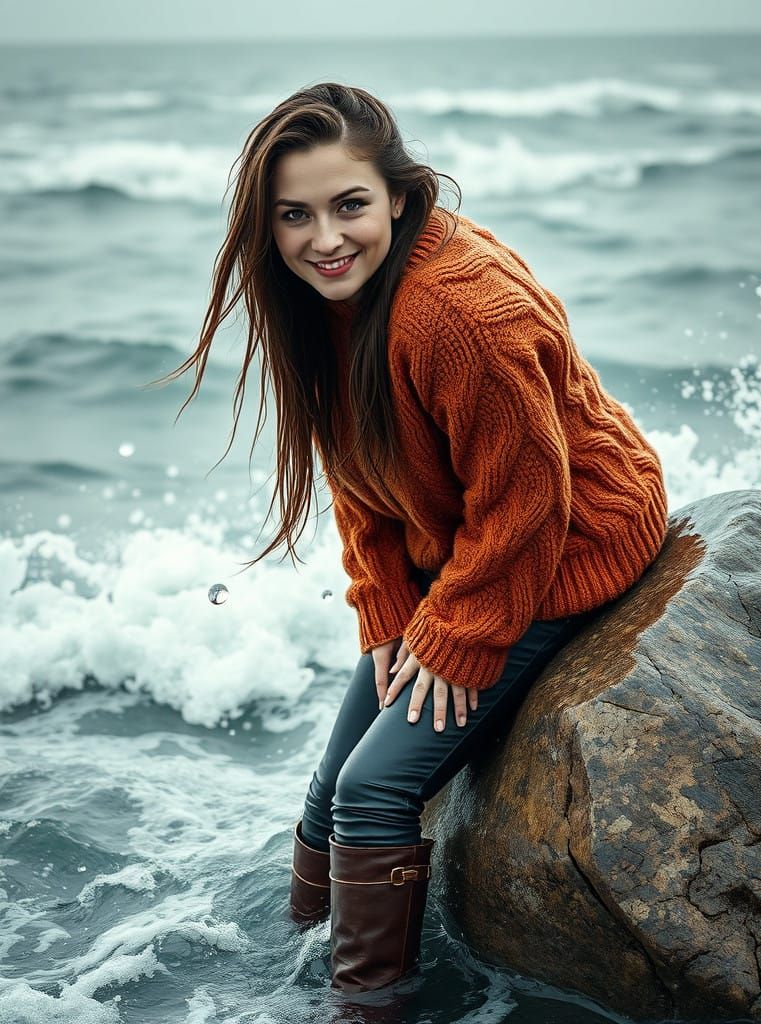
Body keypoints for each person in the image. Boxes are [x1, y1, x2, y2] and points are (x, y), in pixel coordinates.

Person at [153, 82, 669, 995]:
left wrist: (457, 636)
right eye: (295, 216)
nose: (325, 238)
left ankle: (367, 1011)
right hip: (468, 546)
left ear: (398, 192)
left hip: (567, 539)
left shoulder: (456, 312)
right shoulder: (324, 298)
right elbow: (360, 473)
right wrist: (389, 610)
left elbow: (529, 499)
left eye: (349, 205)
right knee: (326, 798)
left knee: (375, 791)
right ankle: (291, 978)